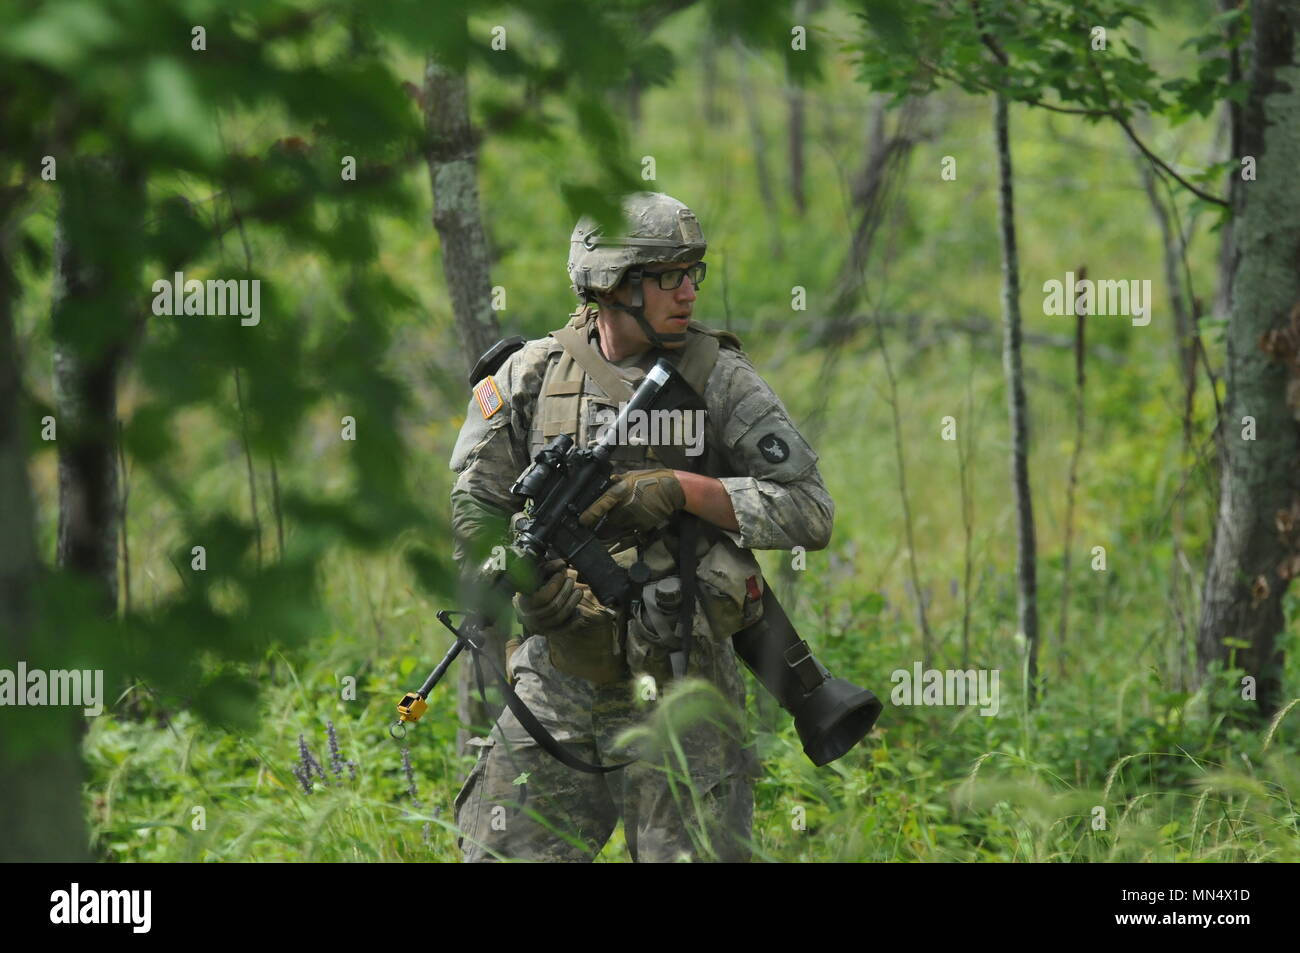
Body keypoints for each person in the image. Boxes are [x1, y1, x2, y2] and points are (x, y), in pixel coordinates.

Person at [448, 191, 834, 862]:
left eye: (693, 273)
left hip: (683, 685)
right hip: (558, 682)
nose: (687, 292)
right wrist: (523, 580)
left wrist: (684, 490)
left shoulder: (718, 379)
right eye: (666, 276)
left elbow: (809, 508)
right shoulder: (530, 375)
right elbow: (474, 508)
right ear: (612, 284)